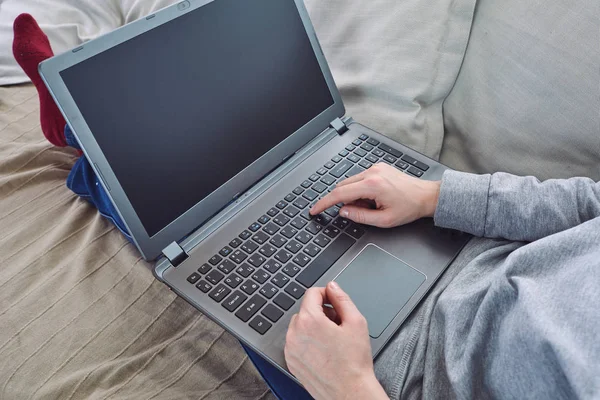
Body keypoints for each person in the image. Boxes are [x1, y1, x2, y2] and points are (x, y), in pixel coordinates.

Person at [13, 13, 600, 400]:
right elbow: (587, 205)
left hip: (393, 371)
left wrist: (348, 388)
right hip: (467, 247)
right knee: (287, 168)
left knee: (194, 243)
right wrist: (436, 196)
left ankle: (74, 134)